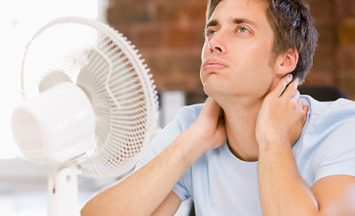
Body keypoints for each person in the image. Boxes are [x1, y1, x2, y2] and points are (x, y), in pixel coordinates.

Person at [81, 0, 355, 215]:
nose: (214, 43)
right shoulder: (191, 128)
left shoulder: (340, 127)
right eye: (212, 31)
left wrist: (274, 139)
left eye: (242, 29)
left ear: (285, 60)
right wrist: (190, 146)